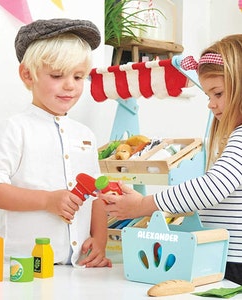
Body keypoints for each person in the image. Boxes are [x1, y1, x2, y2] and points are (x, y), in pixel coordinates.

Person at [100, 34, 242, 284]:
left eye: (217, 93)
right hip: (223, 257)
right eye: (209, 96)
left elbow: (213, 188)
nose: (211, 104)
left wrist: (143, 204)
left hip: (234, 263)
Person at [0, 18, 111, 268]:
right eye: (57, 75)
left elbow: (96, 195)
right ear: (28, 74)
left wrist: (100, 240)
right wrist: (47, 200)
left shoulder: (86, 135)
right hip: (23, 267)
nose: (70, 85)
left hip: (77, 268)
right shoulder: (16, 129)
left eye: (79, 77)